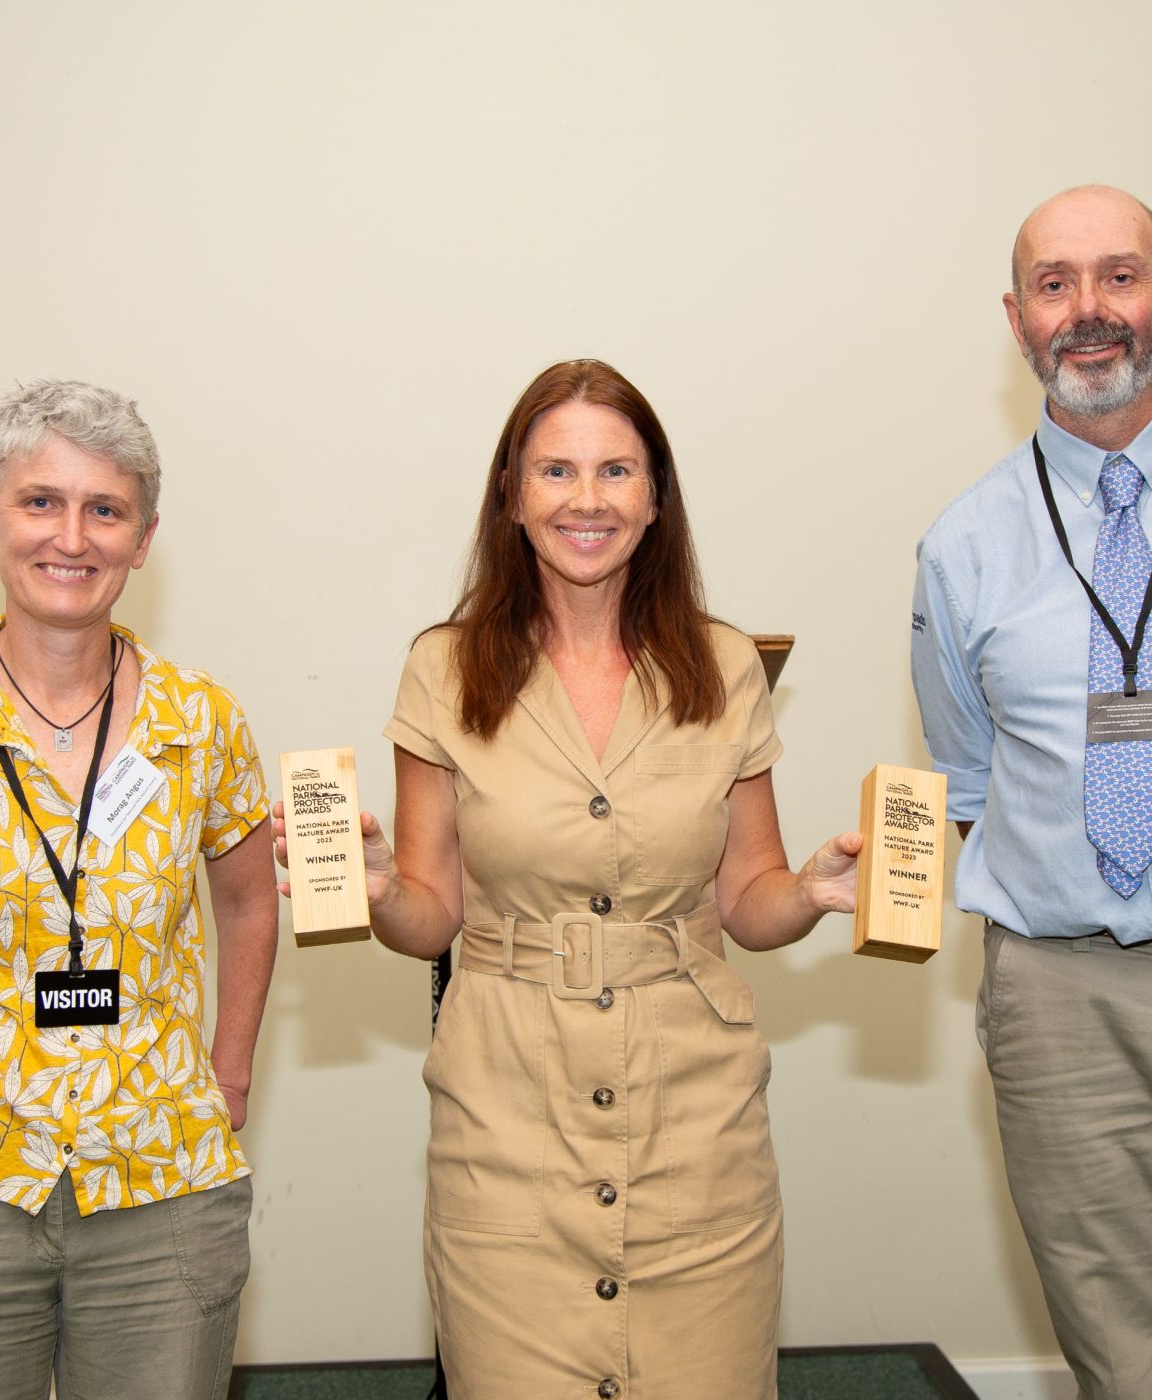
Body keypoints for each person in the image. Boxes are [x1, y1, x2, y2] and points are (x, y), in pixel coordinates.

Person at [279, 360, 859, 1398]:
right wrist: (373, 885)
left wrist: (810, 888)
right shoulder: (444, 666)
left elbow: (745, 896)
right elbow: (430, 914)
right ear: (511, 492)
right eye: (555, 469)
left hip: (697, 1115)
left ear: (654, 497)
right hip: (506, 1110)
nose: (585, 499)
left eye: (613, 471)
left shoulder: (722, 665)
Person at [0, 380, 278, 1400]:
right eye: (39, 500)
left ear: (143, 538)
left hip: (159, 1175)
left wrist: (226, 1078)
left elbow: (246, 899)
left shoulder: (201, 721)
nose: (71, 536)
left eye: (106, 509)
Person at [911, 185, 1152, 1399]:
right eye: (1054, 285)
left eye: (1119, 275)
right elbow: (965, 775)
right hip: (1057, 993)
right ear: (1016, 320)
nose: (1088, 312)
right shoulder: (962, 544)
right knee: (1116, 1338)